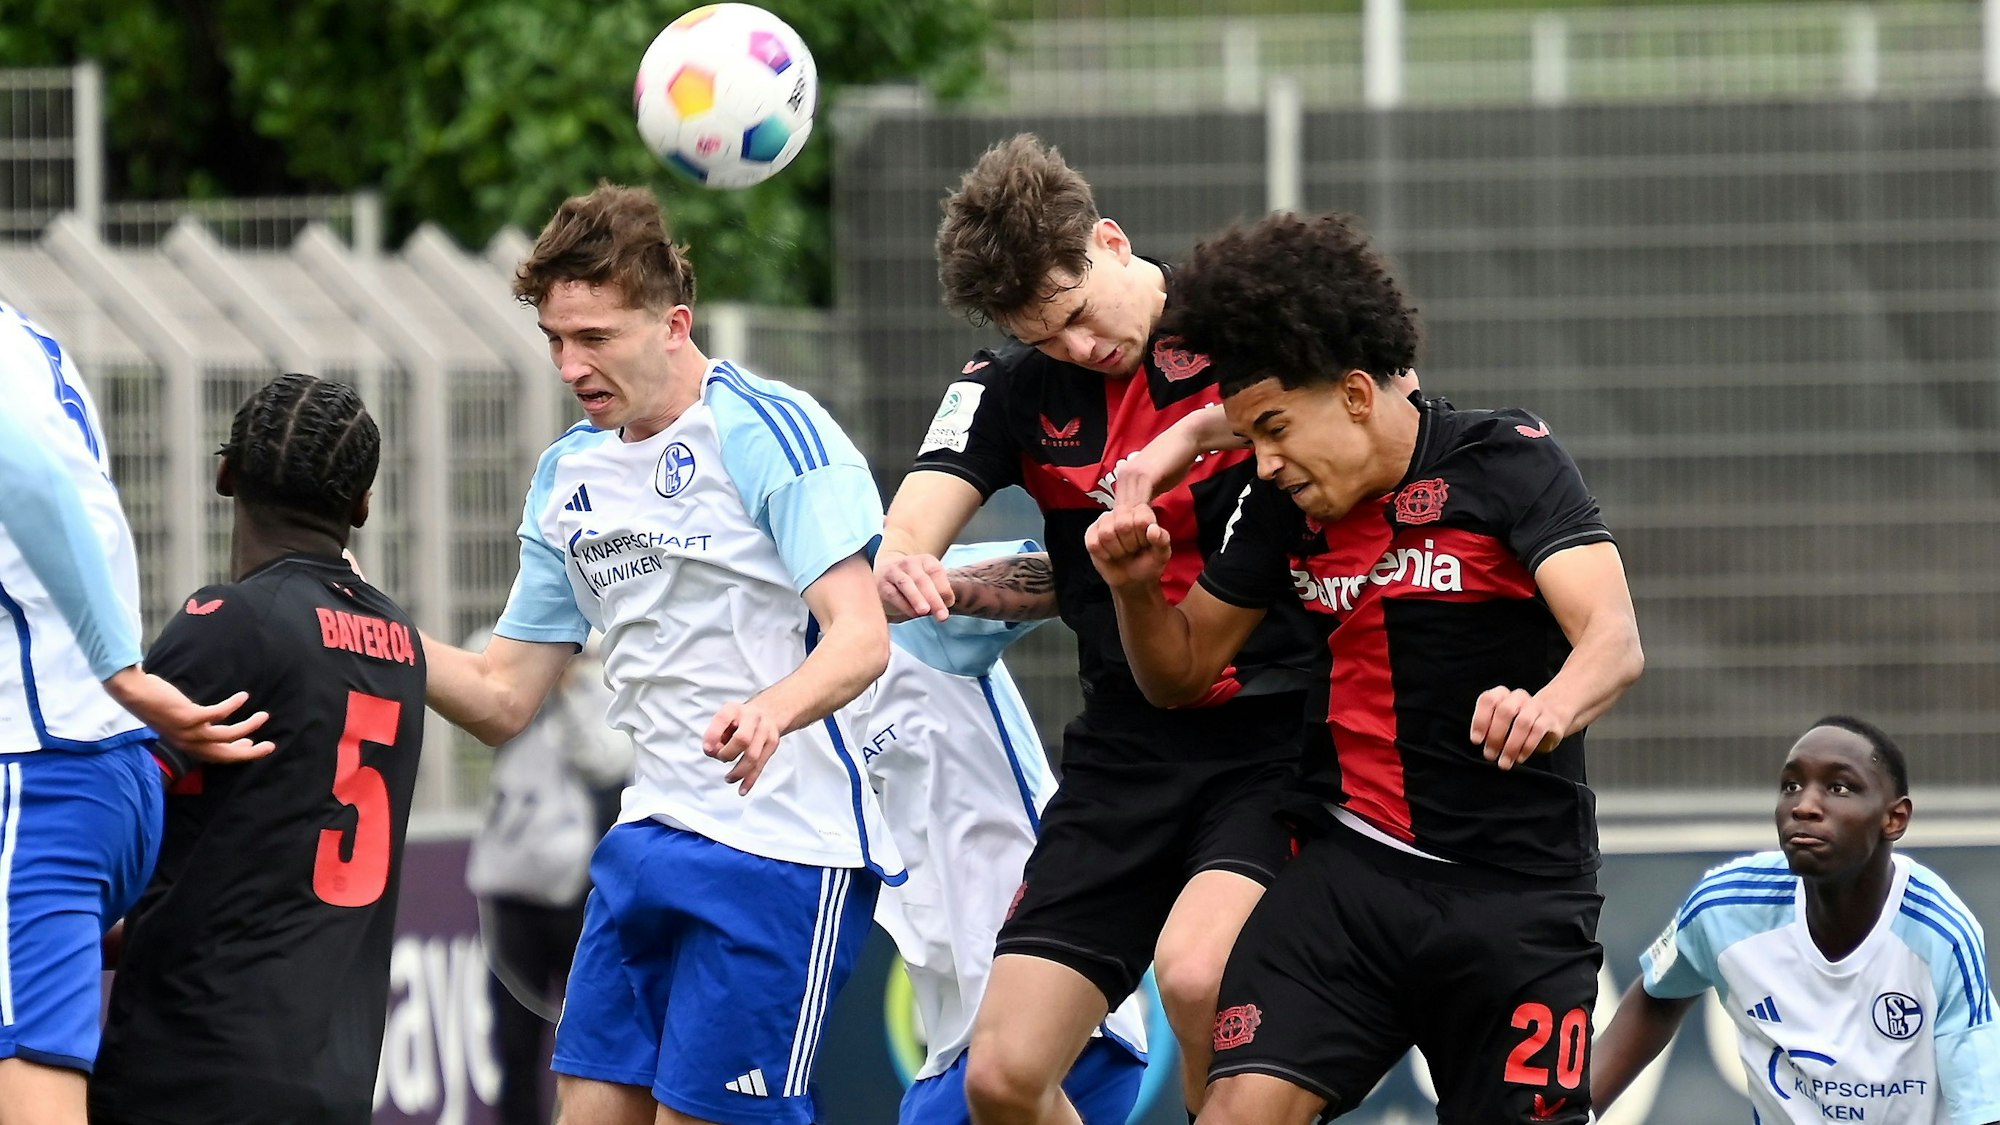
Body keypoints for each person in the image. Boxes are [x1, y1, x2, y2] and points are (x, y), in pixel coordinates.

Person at [1085, 211, 1644, 1125]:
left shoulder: (1508, 461)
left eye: (1274, 428)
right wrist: (1136, 590)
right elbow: (1180, 677)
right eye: (1249, 435)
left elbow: (1613, 640)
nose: (1263, 463)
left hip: (1517, 899)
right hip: (1351, 881)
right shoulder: (1283, 506)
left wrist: (1547, 706)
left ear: (1353, 393)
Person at [422, 183, 898, 1125]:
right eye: (556, 339)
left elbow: (861, 635)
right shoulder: (569, 475)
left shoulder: (766, 430)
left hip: (780, 851)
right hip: (646, 837)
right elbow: (501, 694)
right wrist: (366, 627)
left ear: (674, 323)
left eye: (594, 337)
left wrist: (771, 708)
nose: (570, 363)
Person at [875, 133, 1320, 1123]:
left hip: (1276, 733)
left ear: (1109, 243)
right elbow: (920, 508)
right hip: (1125, 750)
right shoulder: (1008, 385)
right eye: (1045, 337)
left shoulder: (1246, 333)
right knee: (1002, 1078)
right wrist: (905, 557)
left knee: (1197, 979)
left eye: (1077, 315)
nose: (1078, 349)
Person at [89, 372, 424, 1124]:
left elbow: (109, 824)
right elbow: (260, 859)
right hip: (335, 1077)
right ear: (362, 506)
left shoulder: (233, 622)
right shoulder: (400, 642)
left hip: (196, 1064)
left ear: (224, 472)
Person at [0, 301, 273, 1125]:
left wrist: (120, 668)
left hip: (42, 774)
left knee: (37, 1097)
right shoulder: (25, 335)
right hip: (98, 769)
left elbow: (27, 476)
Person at [861, 540, 1148, 1125]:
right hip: (954, 1041)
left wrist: (933, 591)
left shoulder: (892, 586)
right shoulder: (783, 674)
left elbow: (1063, 571)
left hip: (1051, 1016)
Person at [1592, 717, 2000, 1124]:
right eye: (1791, 786)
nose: (1804, 806)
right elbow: (1658, 997)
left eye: (1838, 787)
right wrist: (1575, 1109)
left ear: (1894, 819)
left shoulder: (1941, 933)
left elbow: (1980, 1111)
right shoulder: (1725, 907)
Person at [464, 635, 630, 1125]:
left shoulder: (607, 699)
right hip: (511, 889)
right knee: (513, 1041)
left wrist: (568, 690)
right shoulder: (514, 696)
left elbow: (607, 761)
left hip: (578, 894)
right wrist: (532, 662)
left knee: (585, 1041)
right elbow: (478, 664)